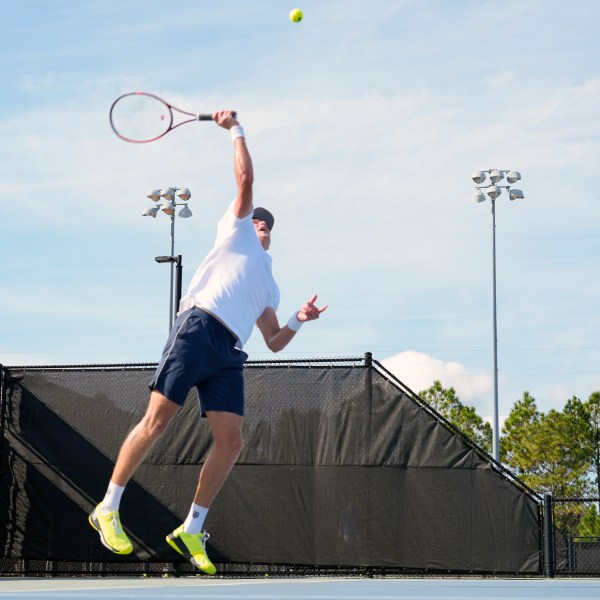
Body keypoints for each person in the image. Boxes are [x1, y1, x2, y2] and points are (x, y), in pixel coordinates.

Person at [88, 110, 327, 575]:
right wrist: (234, 129)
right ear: (246, 221)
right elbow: (245, 177)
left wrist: (299, 318)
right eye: (259, 220)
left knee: (232, 441)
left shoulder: (269, 284)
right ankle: (108, 507)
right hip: (198, 326)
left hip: (230, 353)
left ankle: (192, 528)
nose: (263, 225)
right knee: (157, 422)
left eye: (267, 224)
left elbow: (274, 341)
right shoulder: (234, 231)